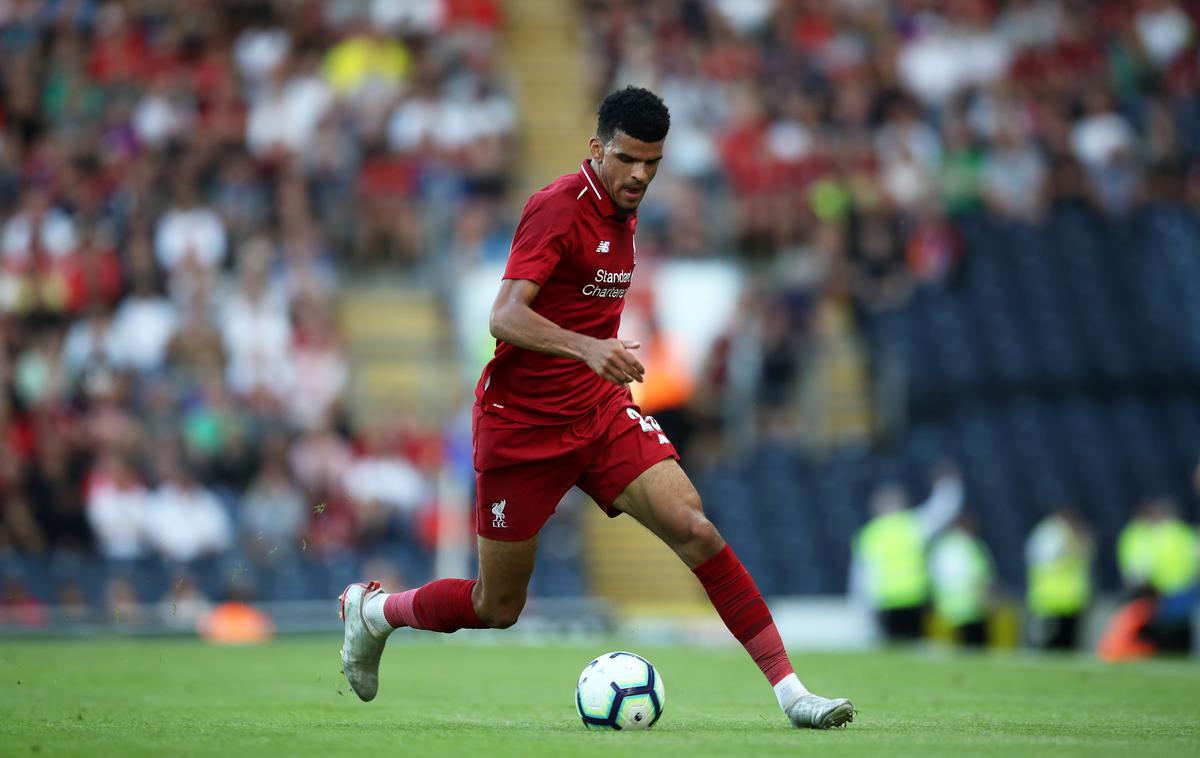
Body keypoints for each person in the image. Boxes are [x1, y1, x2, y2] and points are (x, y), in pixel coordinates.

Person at [337, 86, 853, 729]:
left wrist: (593, 363)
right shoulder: (556, 207)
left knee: (695, 528)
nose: (640, 174)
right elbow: (504, 315)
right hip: (521, 426)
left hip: (599, 412)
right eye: (628, 159)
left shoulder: (626, 207)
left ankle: (792, 694)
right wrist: (587, 348)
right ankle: (376, 613)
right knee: (496, 605)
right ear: (596, 149)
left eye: (652, 163)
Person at [850, 463, 963, 642]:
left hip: (887, 602)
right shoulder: (912, 525)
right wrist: (948, 483)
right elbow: (943, 509)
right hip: (914, 598)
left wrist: (864, 606)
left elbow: (862, 575)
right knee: (914, 649)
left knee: (892, 652)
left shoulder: (870, 534)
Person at [1025, 506, 1093, 650]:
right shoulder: (1049, 533)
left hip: (1072, 601)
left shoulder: (1074, 534)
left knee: (1069, 643)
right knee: (1051, 643)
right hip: (1051, 600)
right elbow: (1047, 560)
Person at [928, 511, 995, 647]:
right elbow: (979, 576)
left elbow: (934, 575)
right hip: (971, 607)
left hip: (947, 608)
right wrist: (988, 597)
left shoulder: (942, 547)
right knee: (975, 650)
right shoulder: (970, 546)